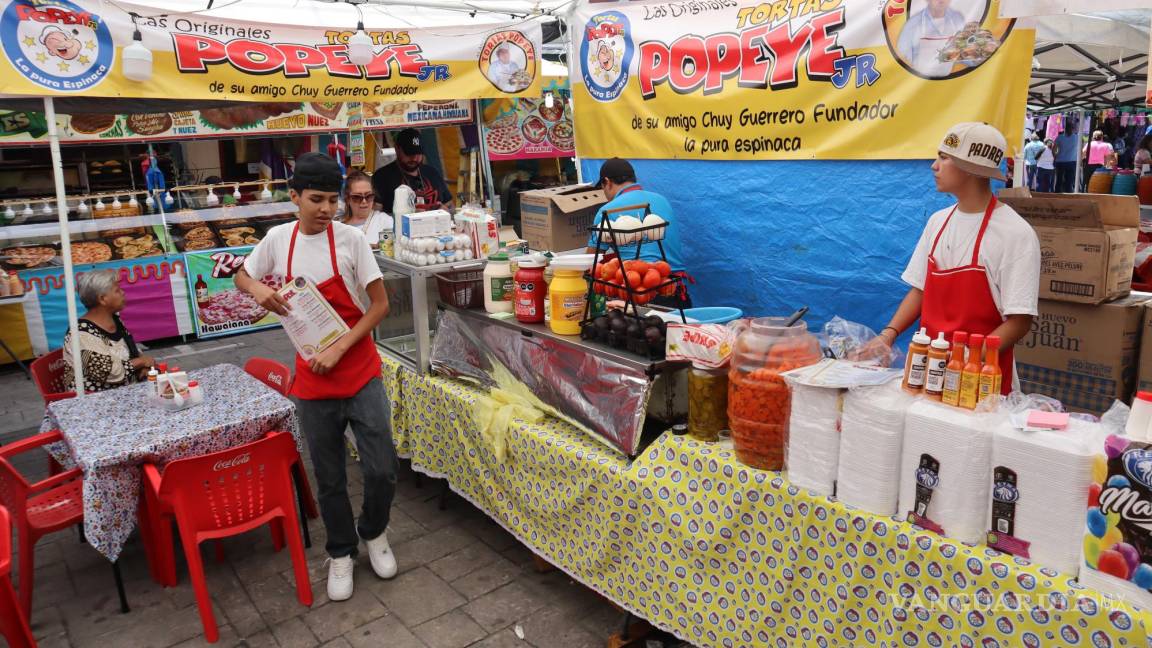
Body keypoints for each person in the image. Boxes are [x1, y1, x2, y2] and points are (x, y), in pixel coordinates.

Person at [234, 152, 398, 602]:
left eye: (333, 199)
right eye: (316, 200)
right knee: (329, 477)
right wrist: (260, 290)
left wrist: (341, 346)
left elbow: (380, 305)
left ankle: (374, 531)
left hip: (360, 371)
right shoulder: (277, 240)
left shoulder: (350, 241)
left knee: (382, 469)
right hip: (311, 380)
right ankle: (341, 551)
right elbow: (242, 277)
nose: (327, 209)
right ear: (294, 197)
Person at [856, 123, 1040, 395]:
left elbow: (1020, 320)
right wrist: (888, 335)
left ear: (970, 168)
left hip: (981, 380)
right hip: (926, 370)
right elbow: (920, 289)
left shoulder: (1016, 234)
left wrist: (967, 359)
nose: (933, 166)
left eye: (944, 157)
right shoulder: (937, 222)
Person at [585, 158, 690, 307]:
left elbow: (591, 261)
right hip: (676, 289)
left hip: (642, 295)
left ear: (607, 182)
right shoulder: (661, 200)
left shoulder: (607, 211)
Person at [63, 269, 155, 393]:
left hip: (127, 390)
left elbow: (130, 350)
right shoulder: (81, 333)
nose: (123, 293)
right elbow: (107, 371)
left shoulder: (115, 320)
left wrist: (143, 368)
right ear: (102, 299)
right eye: (117, 290)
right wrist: (140, 362)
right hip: (95, 399)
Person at [372, 128, 453, 213]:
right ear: (397, 149)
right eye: (409, 153)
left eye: (418, 153)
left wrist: (446, 210)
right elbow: (375, 216)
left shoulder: (432, 173)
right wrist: (406, 215)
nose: (414, 158)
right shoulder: (381, 177)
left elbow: (450, 205)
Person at [896, 0, 966, 77]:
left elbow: (967, 54)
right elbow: (901, 58)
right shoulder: (913, 24)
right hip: (920, 82)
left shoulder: (958, 19)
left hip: (950, 81)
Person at [341, 170, 393, 248]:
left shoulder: (384, 221)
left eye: (369, 196)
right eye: (357, 197)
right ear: (347, 199)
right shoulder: (338, 224)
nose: (364, 201)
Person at [1053, 126, 1079, 193]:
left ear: (1065, 129)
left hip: (1060, 161)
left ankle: (1057, 193)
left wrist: (1055, 157)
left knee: (1059, 179)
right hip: (1071, 161)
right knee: (1069, 180)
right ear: (1073, 129)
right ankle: (1068, 194)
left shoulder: (1060, 137)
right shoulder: (1077, 137)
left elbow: (1054, 149)